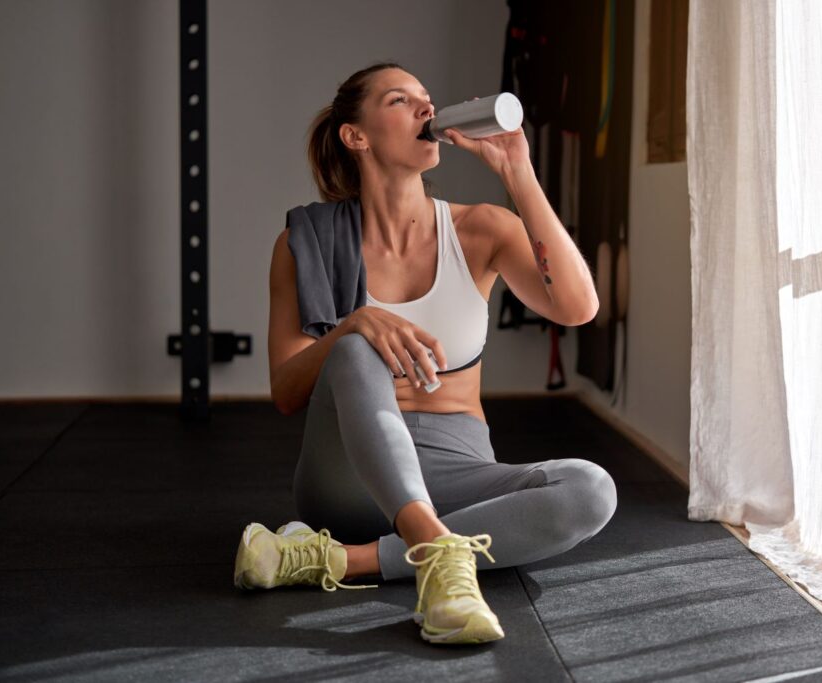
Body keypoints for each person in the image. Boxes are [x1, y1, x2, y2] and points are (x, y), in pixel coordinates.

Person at [233, 61, 617, 645]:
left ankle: (345, 561)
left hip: (455, 473)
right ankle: (436, 551)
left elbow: (577, 307)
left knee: (592, 490)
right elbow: (288, 391)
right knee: (360, 345)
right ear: (355, 136)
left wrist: (519, 172)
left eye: (427, 100)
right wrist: (353, 326)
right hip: (345, 478)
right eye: (400, 100)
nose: (426, 110)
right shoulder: (301, 243)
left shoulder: (482, 229)